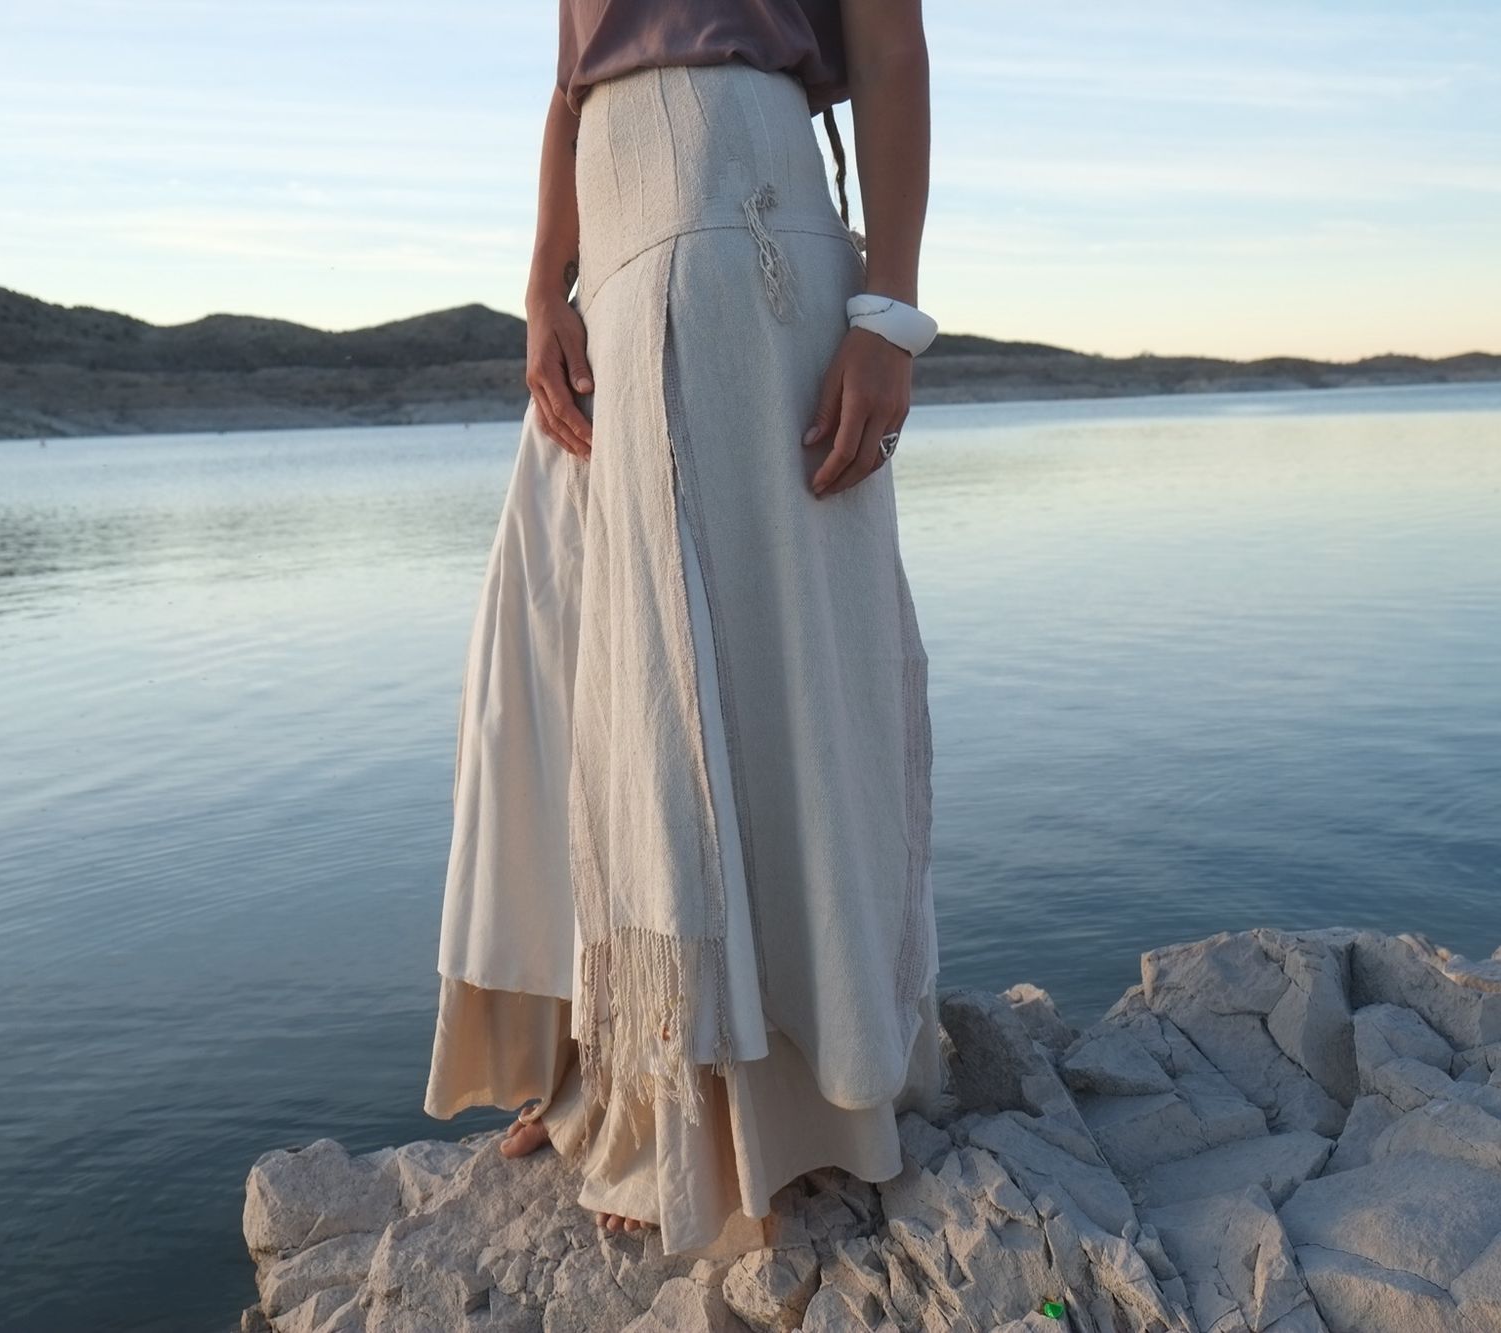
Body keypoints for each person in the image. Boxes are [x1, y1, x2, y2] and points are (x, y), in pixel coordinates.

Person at [424, 0, 944, 1255]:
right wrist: (541, 287)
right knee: (562, 663)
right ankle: (617, 1056)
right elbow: (569, 86)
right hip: (609, 254)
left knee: (737, 665)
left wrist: (889, 313)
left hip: (739, 223)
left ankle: (735, 1102)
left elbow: (885, 45)